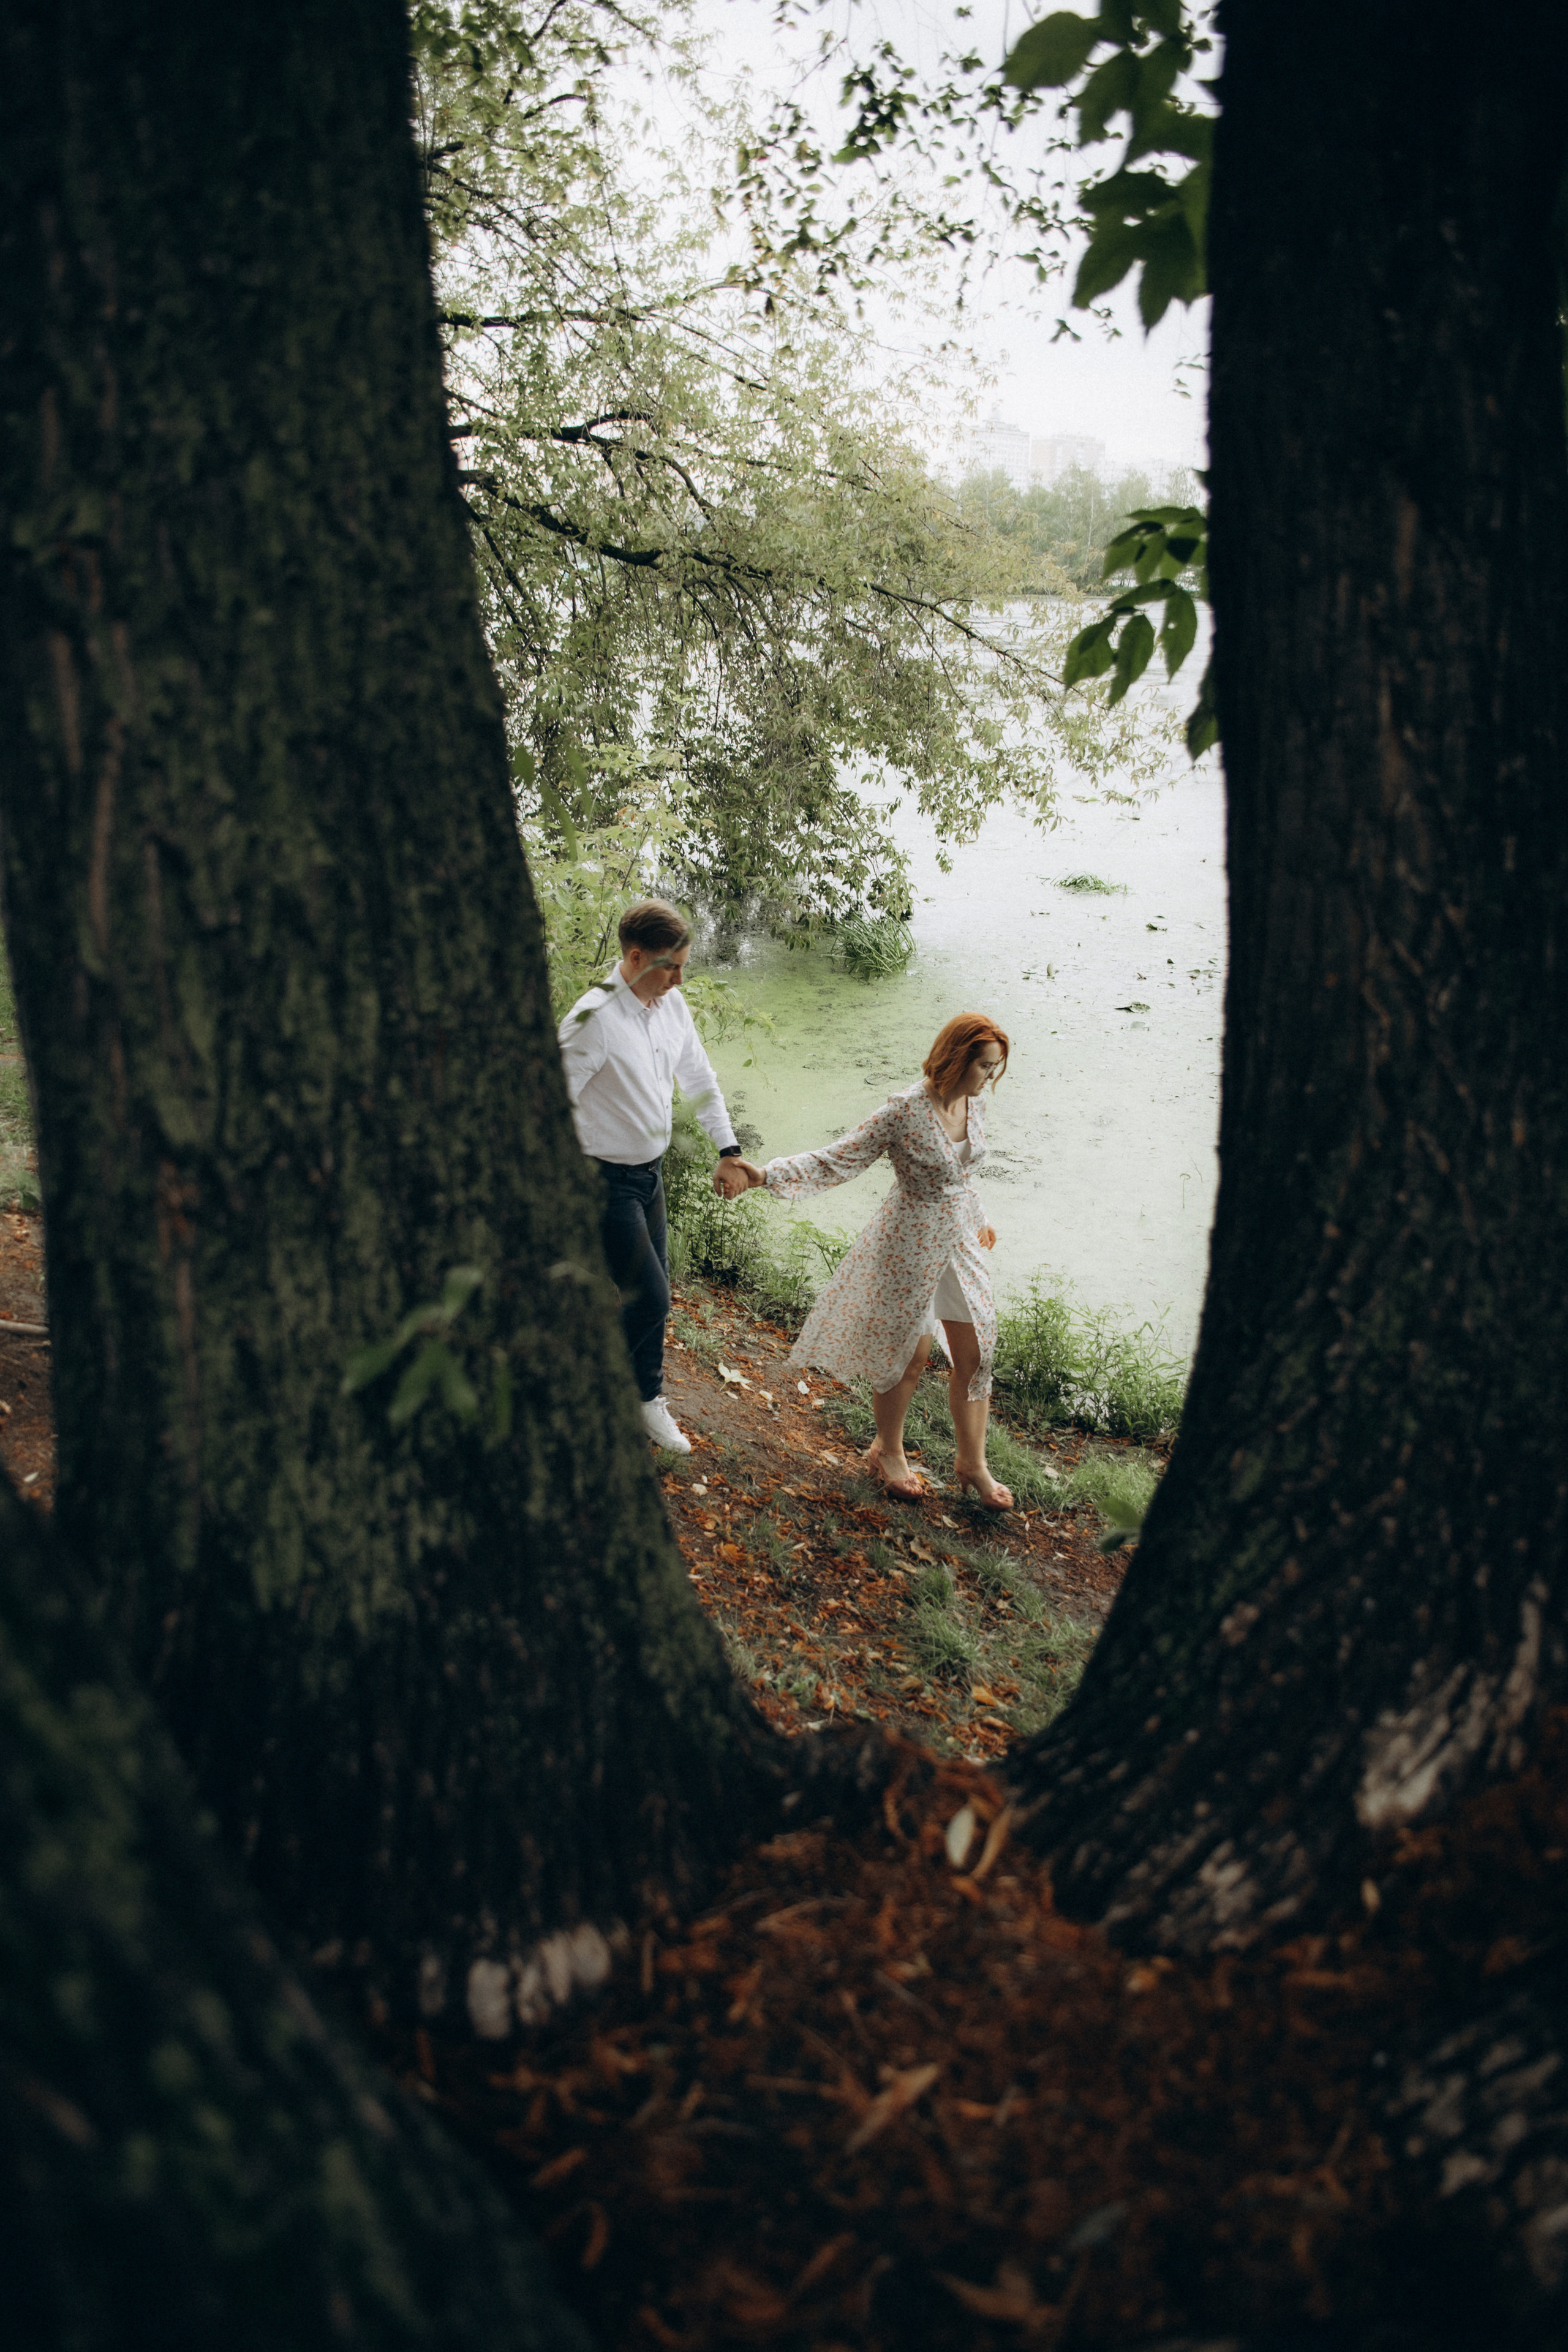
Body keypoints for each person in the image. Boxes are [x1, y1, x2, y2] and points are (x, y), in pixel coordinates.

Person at [726, 1013, 1014, 1507]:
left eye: (994, 1068)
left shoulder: (975, 1103)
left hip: (961, 1240)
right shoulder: (905, 1110)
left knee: (977, 1352)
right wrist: (765, 1175)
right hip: (910, 1241)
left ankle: (973, 1463)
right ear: (957, 1058)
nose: (990, 1078)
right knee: (909, 1355)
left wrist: (980, 1217)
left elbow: (962, 1173)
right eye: (985, 1066)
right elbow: (839, 1158)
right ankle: (889, 1451)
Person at [558, 899, 752, 1454]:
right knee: (652, 1298)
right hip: (603, 1181)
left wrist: (728, 1149)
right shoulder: (592, 1021)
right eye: (672, 967)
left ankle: (646, 1399)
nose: (680, 980)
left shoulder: (670, 1004)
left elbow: (699, 1077)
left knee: (653, 1288)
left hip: (651, 1176)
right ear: (637, 957)